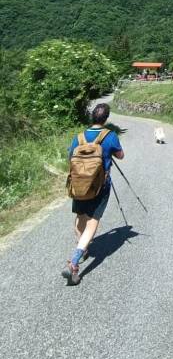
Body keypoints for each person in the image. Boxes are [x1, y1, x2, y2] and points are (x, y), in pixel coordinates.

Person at [62, 102, 124, 285]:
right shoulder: (110, 136)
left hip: (78, 185)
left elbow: (70, 158)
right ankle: (74, 262)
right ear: (106, 119)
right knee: (92, 222)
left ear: (92, 117)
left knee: (80, 216)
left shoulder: (79, 137)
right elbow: (120, 155)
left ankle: (83, 247)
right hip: (100, 187)